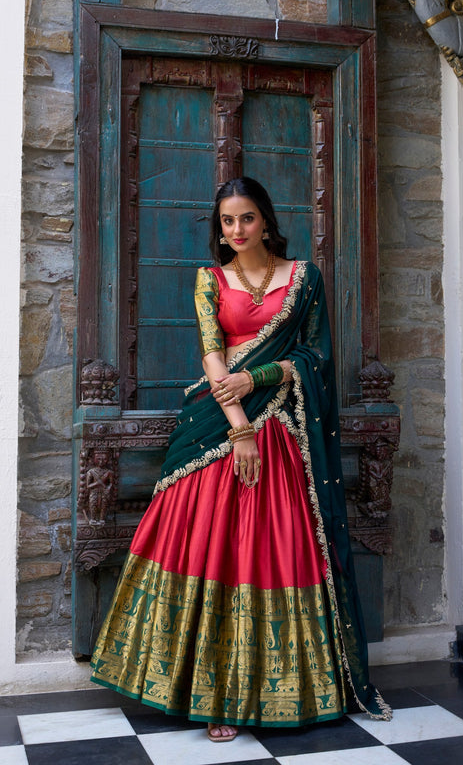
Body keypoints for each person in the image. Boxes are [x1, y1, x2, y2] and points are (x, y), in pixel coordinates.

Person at [91, 176, 391, 742]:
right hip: (221, 425)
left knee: (266, 549)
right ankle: (209, 695)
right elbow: (211, 353)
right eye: (227, 222)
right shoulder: (209, 280)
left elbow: (315, 357)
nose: (236, 231)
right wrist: (240, 430)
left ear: (266, 221)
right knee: (213, 549)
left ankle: (275, 690)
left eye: (246, 219)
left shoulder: (303, 278)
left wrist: (259, 377)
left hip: (282, 424)